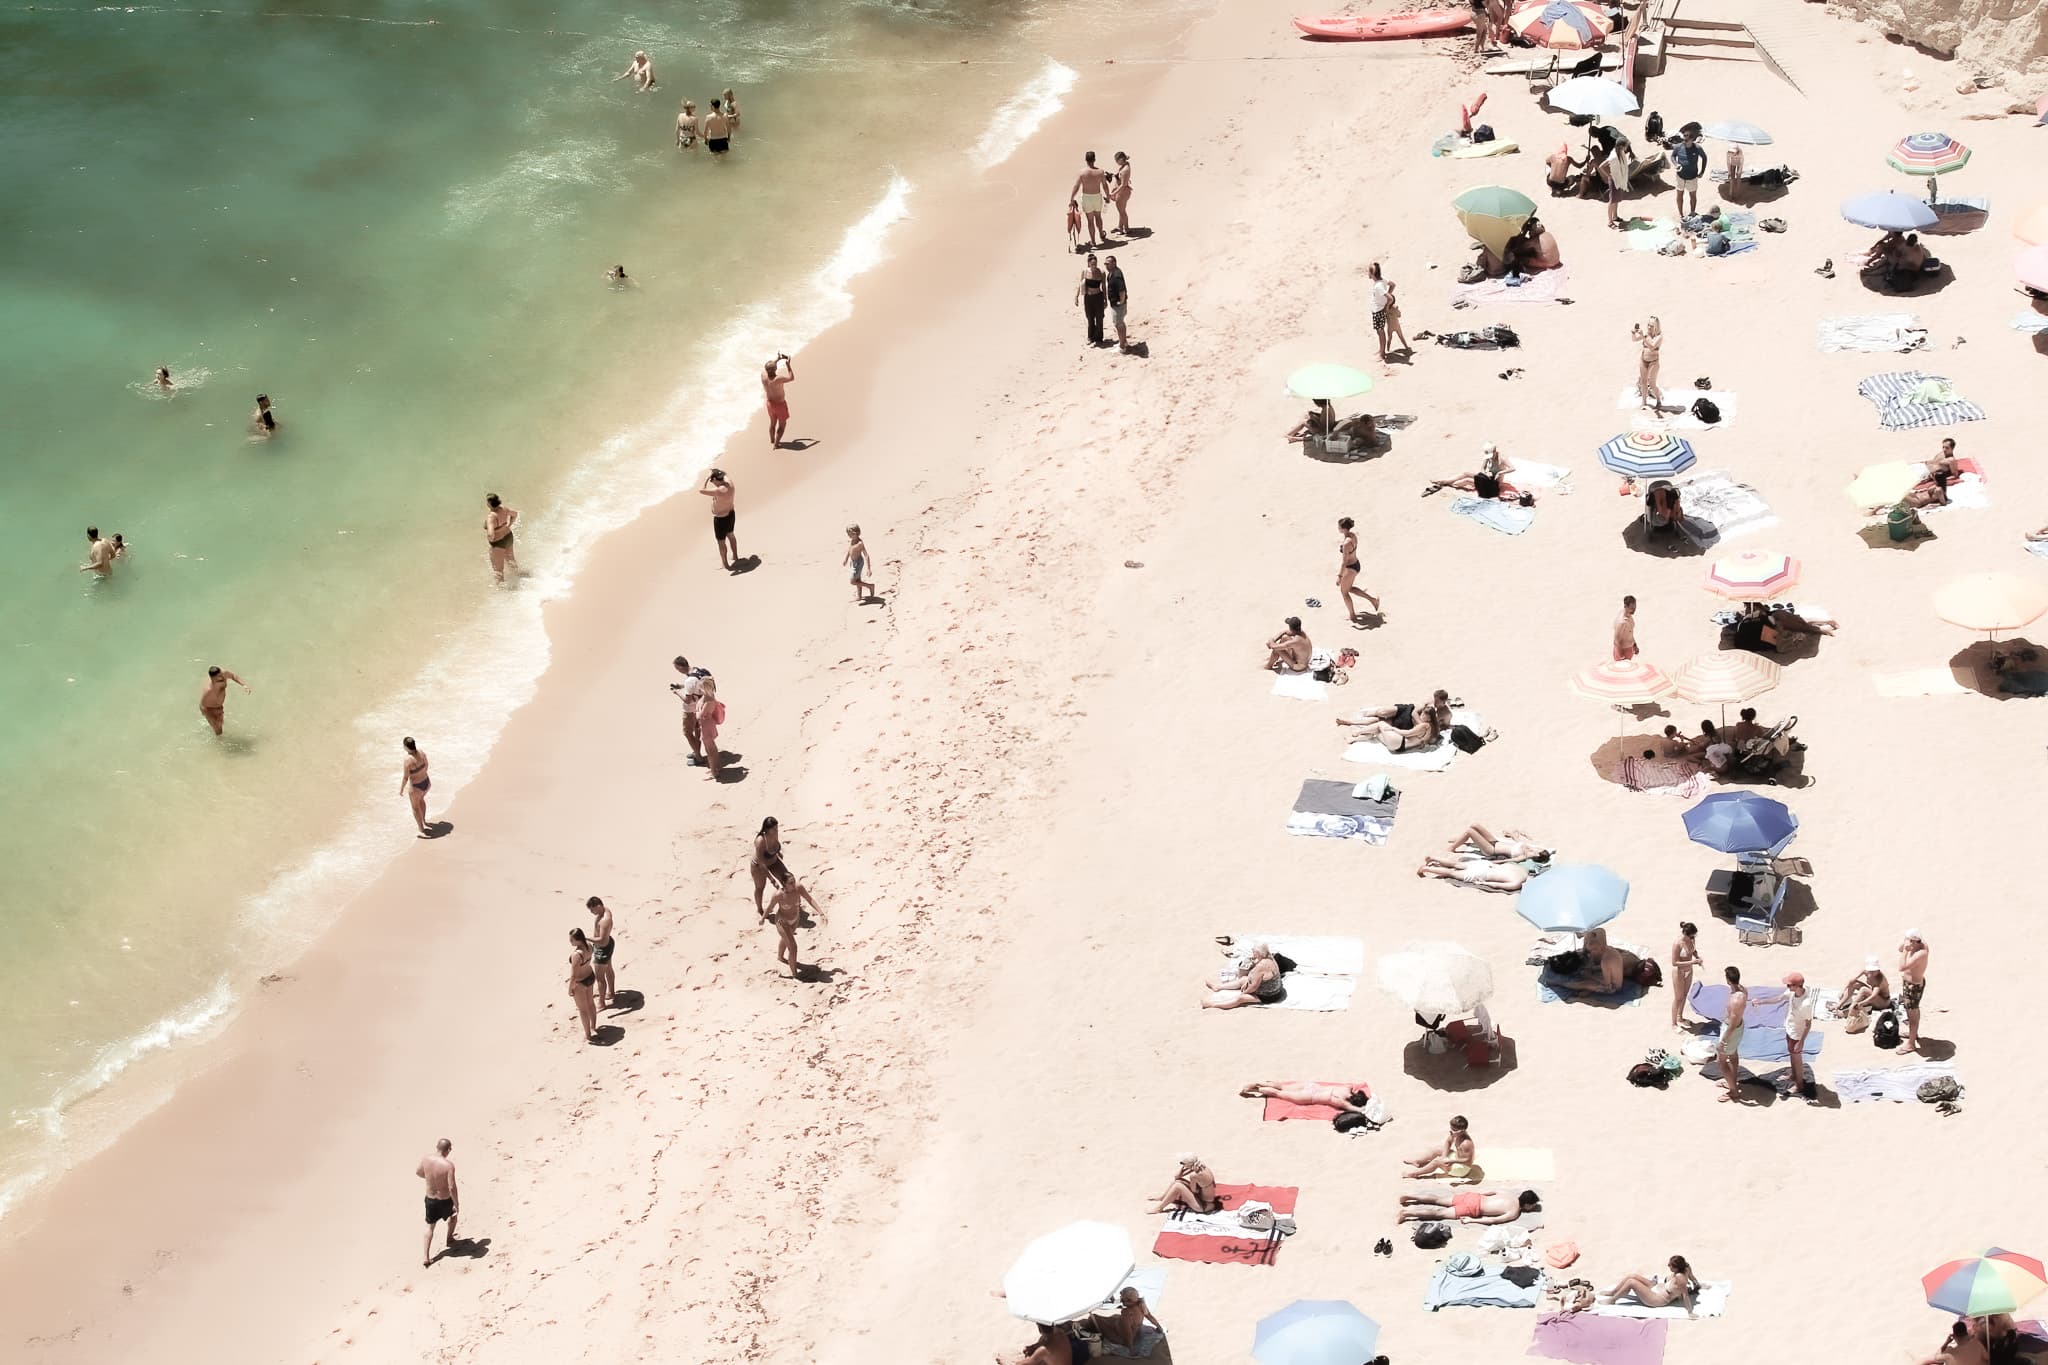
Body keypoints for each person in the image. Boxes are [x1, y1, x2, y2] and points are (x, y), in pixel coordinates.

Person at [1598, 1256, 1700, 1315]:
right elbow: (1692, 1277)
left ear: (1677, 1268)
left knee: (1631, 1282)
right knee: (1632, 1275)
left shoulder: (1680, 1278)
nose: (1668, 1266)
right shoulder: (1686, 1267)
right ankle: (1613, 1292)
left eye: (1670, 1265)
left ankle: (1612, 1300)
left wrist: (1690, 1312)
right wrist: (1697, 1285)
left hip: (1657, 1299)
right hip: (1658, 1288)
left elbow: (1685, 1295)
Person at [1424, 444, 1526, 502]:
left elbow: (1513, 468)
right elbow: (1483, 467)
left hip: (1494, 483)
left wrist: (1500, 473)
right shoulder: (1488, 457)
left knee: (1465, 481)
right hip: (1487, 478)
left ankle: (1447, 484)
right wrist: (1484, 473)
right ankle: (1444, 481)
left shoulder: (1502, 458)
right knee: (1466, 473)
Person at [768, 877, 824, 978]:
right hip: (782, 921)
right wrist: (763, 918)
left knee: (785, 940)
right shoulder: (779, 895)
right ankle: (795, 975)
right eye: (790, 883)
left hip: (795, 920)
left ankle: (780, 957)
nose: (794, 884)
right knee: (793, 948)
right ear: (784, 884)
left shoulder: (798, 888)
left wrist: (821, 913)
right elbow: (769, 906)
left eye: (794, 881)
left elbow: (809, 899)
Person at [416, 1138, 460, 1267]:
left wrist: (430, 1177)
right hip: (444, 1200)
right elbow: (452, 1187)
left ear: (437, 1147)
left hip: (430, 1200)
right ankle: (449, 1238)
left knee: (430, 1227)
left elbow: (418, 1173)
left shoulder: (426, 1159)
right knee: (453, 1215)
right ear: (448, 1150)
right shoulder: (448, 1165)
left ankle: (425, 1256)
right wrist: (456, 1203)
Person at [1203, 942, 1284, 1009]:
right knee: (1243, 980)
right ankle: (1218, 987)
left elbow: (1253, 987)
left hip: (1270, 996)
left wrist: (1244, 992)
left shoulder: (1260, 967)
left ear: (1259, 953)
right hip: (1275, 988)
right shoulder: (1270, 957)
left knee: (1241, 998)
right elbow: (1255, 979)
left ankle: (1212, 1005)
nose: (1252, 951)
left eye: (1254, 951)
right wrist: (1247, 982)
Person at [1396, 1188, 1540, 1225]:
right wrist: (1472, 1220)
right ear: (1527, 1204)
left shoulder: (1508, 1194)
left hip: (1473, 1197)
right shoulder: (1514, 1212)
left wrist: (1477, 1194)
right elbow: (1492, 1221)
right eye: (1532, 1206)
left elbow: (1492, 1191)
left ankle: (1410, 1196)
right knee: (1439, 1214)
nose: (1531, 1208)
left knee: (1438, 1200)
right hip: (1473, 1208)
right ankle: (1406, 1214)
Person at [1087, 1286, 1163, 1353]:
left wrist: (1131, 1348)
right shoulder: (1141, 1305)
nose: (1121, 1299)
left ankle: (1084, 1332)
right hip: (1132, 1331)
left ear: (1128, 1300)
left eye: (1122, 1298)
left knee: (1094, 1317)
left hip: (1121, 1337)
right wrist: (1159, 1327)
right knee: (1114, 1317)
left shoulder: (1127, 1313)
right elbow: (1150, 1317)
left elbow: (1128, 1332)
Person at [1335, 517, 1380, 623]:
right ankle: (1373, 601)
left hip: (1350, 568)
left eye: (1339, 527)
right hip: (1356, 564)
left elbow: (1344, 562)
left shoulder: (1346, 543)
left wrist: (1339, 576)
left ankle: (1352, 616)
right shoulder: (1352, 535)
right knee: (1349, 588)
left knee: (1344, 592)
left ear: (1344, 528)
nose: (1338, 528)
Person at [1403, 1115, 1475, 1179]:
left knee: (1437, 1161)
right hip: (1457, 1157)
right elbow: (1448, 1142)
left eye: (1454, 1130)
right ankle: (1417, 1161)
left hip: (1463, 1168)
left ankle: (1414, 1174)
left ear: (1462, 1130)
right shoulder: (1455, 1134)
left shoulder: (1466, 1143)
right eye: (1451, 1128)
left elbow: (1467, 1160)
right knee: (1437, 1149)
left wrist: (1451, 1161)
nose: (1451, 1131)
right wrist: (1444, 1156)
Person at [1416, 852, 1532, 892]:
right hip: (1484, 874)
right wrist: (1484, 884)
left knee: (1456, 864)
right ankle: (1427, 869)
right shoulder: (1517, 883)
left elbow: (1505, 864)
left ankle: (1433, 858)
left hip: (1486, 865)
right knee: (1451, 873)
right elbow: (1497, 885)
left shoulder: (1523, 870)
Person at [1782, 971, 1816, 1099]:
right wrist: (1762, 1002)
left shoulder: (1805, 1004)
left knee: (1797, 1059)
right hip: (1790, 1028)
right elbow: (1779, 998)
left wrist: (1801, 1042)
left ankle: (1799, 1085)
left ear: (1796, 986)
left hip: (1797, 1034)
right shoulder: (1794, 993)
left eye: (1789, 985)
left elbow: (1808, 1024)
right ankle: (1793, 1075)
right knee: (1791, 1054)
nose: (1788, 988)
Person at [1830, 956, 1892, 1026]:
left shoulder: (1880, 980)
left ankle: (1847, 1012)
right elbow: (1852, 980)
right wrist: (1843, 990)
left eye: (1874, 971)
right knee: (1855, 983)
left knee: (1864, 990)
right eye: (1871, 971)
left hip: (1883, 1002)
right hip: (1873, 996)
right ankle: (1839, 1005)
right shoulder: (1866, 971)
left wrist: (1861, 1003)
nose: (1872, 973)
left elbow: (1873, 996)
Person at [1147, 1154, 1220, 1213]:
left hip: (1203, 1205)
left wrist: (1185, 1170)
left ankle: (1159, 1208)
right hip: (1206, 1200)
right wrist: (1184, 1167)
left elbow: (1194, 1191)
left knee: (1178, 1186)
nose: (1181, 1164)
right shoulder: (1201, 1167)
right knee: (1178, 1181)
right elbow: (1177, 1176)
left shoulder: (1194, 1175)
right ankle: (1162, 1197)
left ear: (1189, 1164)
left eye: (1182, 1163)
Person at [1238, 1081, 1372, 1113]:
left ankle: (1257, 1083)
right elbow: (1354, 1109)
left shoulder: (1344, 1089)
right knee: (1278, 1094)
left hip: (1311, 1086)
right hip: (1309, 1096)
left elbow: (1350, 1084)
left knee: (1282, 1087)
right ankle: (1257, 1090)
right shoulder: (1340, 1101)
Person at [751, 816, 793, 917]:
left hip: (773, 861)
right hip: (758, 866)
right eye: (774, 829)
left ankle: (789, 904)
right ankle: (760, 910)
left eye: (777, 828)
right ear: (767, 829)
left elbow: (776, 843)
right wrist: (772, 880)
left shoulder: (775, 833)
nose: (776, 830)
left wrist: (778, 852)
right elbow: (762, 864)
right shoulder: (760, 841)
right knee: (760, 887)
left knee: (786, 880)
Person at [1717, 966, 1748, 1103]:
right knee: (1733, 1055)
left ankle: (1733, 1091)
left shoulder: (1736, 999)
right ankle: (1732, 1081)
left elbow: (1733, 1023)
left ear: (1728, 980)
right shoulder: (1743, 991)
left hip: (1731, 1029)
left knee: (1722, 1061)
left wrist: (1723, 1041)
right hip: (1738, 1027)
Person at [1069, 151, 1111, 249]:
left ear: (1086, 160)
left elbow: (1076, 186)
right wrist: (1108, 196)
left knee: (1090, 221)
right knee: (1098, 217)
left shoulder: (1082, 172)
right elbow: (1105, 185)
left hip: (1087, 198)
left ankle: (1093, 241)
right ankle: (1101, 233)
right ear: (1094, 159)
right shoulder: (1100, 171)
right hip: (1097, 196)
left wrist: (1071, 198)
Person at [1447, 824, 1550, 862]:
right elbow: (1518, 841)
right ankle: (1460, 839)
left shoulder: (1525, 856)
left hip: (1490, 850)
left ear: (1537, 855)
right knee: (1475, 826)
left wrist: (1493, 863)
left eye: (1539, 850)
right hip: (1495, 842)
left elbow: (1511, 860)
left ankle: (1452, 847)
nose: (1537, 849)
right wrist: (1512, 834)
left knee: (1470, 831)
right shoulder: (1528, 847)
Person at [700, 469, 739, 570]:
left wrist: (707, 478)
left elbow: (701, 490)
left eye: (712, 481)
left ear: (715, 479)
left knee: (721, 542)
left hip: (721, 519)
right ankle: (735, 556)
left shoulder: (718, 491)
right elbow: (725, 475)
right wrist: (715, 472)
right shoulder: (730, 483)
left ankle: (725, 564)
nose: (712, 483)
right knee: (731, 535)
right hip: (731, 514)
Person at [671, 656, 707, 765]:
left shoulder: (689, 681)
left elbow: (687, 700)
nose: (678, 671)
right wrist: (681, 686)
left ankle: (698, 758)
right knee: (697, 731)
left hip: (690, 710)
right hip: (699, 707)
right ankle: (697, 752)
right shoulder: (697, 671)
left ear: (682, 667)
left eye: (678, 669)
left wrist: (676, 692)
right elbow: (694, 686)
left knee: (687, 732)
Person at [1907, 438, 1963, 509]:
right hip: (1922, 466)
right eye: (1943, 447)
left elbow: (1955, 475)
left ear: (1952, 448)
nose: (1944, 449)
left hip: (1926, 473)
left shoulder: (1951, 460)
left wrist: (1940, 478)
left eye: (1947, 448)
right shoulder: (1942, 453)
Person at [198, 665, 251, 736]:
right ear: (213, 679)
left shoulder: (224, 674)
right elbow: (202, 705)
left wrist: (244, 685)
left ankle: (212, 728)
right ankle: (218, 744)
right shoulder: (208, 690)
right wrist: (208, 716)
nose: (223, 677)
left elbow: (233, 676)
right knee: (219, 731)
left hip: (219, 707)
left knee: (221, 724)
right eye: (219, 677)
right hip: (209, 709)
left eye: (221, 674)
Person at [1898, 930, 1929, 1054]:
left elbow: (1902, 967)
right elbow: (1900, 948)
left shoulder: (1921, 952)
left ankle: (1911, 1044)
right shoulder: (1915, 945)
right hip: (1909, 985)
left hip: (1913, 987)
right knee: (1912, 1011)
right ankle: (1913, 1034)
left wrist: (1906, 951)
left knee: (1912, 1015)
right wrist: (1905, 945)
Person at [567, 928, 599, 1043]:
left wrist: (570, 988)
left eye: (572, 940)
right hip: (590, 975)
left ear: (578, 940)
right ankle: (593, 1027)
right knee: (591, 1003)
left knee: (583, 1010)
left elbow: (574, 976)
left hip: (580, 982)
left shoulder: (576, 955)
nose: (570, 942)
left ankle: (588, 1035)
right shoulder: (589, 945)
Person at [586, 896, 617, 1009]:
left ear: (598, 906)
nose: (591, 912)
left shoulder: (605, 920)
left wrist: (587, 939)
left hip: (602, 948)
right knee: (608, 969)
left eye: (592, 909)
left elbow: (602, 940)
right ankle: (611, 993)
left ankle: (601, 1002)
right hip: (608, 944)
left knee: (599, 977)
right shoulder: (606, 910)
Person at [997, 1322, 1076, 1365]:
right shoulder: (1060, 1333)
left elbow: (1027, 1363)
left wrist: (1008, 1362)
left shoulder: (1043, 1350)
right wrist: (1033, 1346)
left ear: (1039, 1329)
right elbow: (1046, 1341)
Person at [1671, 922, 1702, 1030]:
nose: (1692, 937)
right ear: (1685, 933)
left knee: (1684, 995)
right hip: (1679, 972)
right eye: (1690, 936)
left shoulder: (1692, 939)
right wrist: (1692, 962)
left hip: (1689, 971)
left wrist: (1697, 956)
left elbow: (1693, 951)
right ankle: (1674, 1023)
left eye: (1693, 936)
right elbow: (1674, 962)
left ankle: (1680, 1017)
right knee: (1678, 998)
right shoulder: (1677, 943)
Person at [399, 737, 432, 836]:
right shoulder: (421, 752)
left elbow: (405, 777)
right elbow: (427, 765)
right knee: (421, 800)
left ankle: (421, 828)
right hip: (426, 782)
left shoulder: (407, 760)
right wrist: (422, 773)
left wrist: (401, 789)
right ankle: (424, 821)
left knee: (415, 808)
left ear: (406, 747)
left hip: (416, 787)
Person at [483, 493, 519, 584]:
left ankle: (502, 593)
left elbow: (491, 534)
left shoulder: (491, 517)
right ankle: (517, 578)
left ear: (489, 504)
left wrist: (491, 542)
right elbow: (515, 514)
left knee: (498, 570)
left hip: (498, 542)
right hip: (508, 536)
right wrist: (509, 524)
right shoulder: (504, 509)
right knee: (511, 561)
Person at [761, 353, 794, 447]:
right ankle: (776, 444)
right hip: (779, 405)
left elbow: (767, 368)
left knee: (772, 423)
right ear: (775, 369)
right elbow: (791, 378)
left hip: (770, 404)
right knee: (782, 425)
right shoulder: (778, 379)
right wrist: (788, 366)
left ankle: (772, 440)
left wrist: (777, 359)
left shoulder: (763, 376)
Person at [1672, 126, 1706, 217]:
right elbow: (1673, 156)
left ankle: (1692, 212)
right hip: (1680, 176)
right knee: (1679, 195)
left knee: (1693, 196)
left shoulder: (1697, 148)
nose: (1684, 141)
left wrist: (1702, 171)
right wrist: (1676, 164)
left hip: (1692, 177)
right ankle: (1680, 214)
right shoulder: (1678, 147)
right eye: (1683, 139)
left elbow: (1704, 158)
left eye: (1686, 140)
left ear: (1691, 139)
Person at [1075, 253, 1107, 346]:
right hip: (1088, 297)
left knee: (1100, 318)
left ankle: (1099, 338)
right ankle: (1090, 337)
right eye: (1092, 264)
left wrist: (1105, 299)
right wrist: (1076, 296)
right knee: (1090, 317)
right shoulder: (1084, 272)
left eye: (1095, 264)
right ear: (1088, 264)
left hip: (1098, 297)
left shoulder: (1101, 272)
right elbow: (1080, 284)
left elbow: (1104, 287)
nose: (1094, 266)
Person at [1368, 262, 1398, 362]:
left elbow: (1389, 298)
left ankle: (1382, 354)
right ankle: (1381, 350)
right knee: (1379, 331)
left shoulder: (1378, 286)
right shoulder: (1382, 279)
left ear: (1372, 274)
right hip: (1377, 310)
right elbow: (1393, 285)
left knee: (1380, 332)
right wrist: (1387, 296)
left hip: (1379, 312)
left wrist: (1386, 306)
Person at [698, 675, 726, 780]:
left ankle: (714, 772)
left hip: (706, 726)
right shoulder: (707, 696)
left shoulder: (709, 700)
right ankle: (715, 768)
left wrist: (697, 711)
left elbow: (699, 715)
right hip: (708, 725)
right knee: (712, 748)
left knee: (709, 750)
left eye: (700, 687)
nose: (699, 689)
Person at [1632, 317, 1663, 409]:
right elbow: (1634, 340)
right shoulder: (1645, 334)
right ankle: (1644, 402)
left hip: (1653, 362)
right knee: (1643, 382)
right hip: (1643, 360)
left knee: (1652, 384)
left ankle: (1658, 400)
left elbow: (1652, 346)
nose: (1649, 327)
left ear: (1656, 327)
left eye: (1652, 326)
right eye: (1648, 325)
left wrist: (1643, 337)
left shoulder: (1659, 337)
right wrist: (1633, 333)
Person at [1103, 255, 1129, 349]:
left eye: (1108, 263)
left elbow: (1122, 290)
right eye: (1105, 264)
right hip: (1115, 303)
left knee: (1118, 324)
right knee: (1120, 322)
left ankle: (1122, 347)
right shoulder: (1111, 273)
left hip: (1118, 305)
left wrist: (1121, 302)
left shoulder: (1116, 275)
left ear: (1114, 263)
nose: (1106, 265)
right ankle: (1124, 342)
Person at [844, 524, 874, 602]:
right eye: (848, 534)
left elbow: (866, 555)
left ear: (857, 533)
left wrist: (869, 569)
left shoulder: (860, 543)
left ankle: (870, 586)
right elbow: (849, 549)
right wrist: (846, 559)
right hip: (853, 562)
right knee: (857, 579)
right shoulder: (853, 540)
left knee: (853, 581)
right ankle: (859, 596)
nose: (849, 536)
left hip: (858, 563)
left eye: (851, 534)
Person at [1108, 151, 1135, 235]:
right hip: (1122, 192)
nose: (1116, 162)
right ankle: (1120, 227)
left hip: (1122, 193)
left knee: (1122, 212)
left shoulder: (1125, 169)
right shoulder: (1125, 165)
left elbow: (1123, 185)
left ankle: (1126, 229)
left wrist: (1113, 193)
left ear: (1121, 159)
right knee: (1121, 210)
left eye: (1117, 160)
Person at [1613, 595, 1639, 661]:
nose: (1634, 610)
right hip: (1622, 652)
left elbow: (1629, 632)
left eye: (1634, 607)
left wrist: (1634, 645)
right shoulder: (1621, 622)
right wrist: (1621, 657)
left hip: (1629, 650)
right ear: (1625, 606)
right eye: (1631, 608)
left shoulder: (1629, 616)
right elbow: (1616, 640)